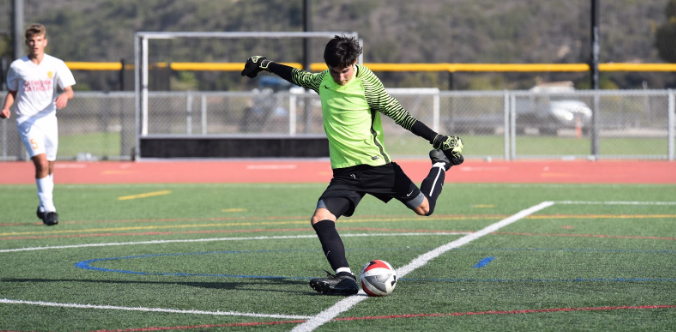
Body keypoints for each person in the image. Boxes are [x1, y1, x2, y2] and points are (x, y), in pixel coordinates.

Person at [241, 35, 463, 295]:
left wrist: (439, 140)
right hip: (345, 173)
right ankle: (344, 278)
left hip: (377, 167)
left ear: (354, 62)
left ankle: (440, 164)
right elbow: (297, 76)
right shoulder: (322, 80)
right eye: (335, 72)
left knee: (425, 208)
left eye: (345, 71)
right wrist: (264, 63)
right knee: (321, 217)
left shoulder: (367, 85)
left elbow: (401, 116)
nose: (340, 77)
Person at [1, 24, 75, 226]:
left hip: (49, 120)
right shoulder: (18, 66)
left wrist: (65, 96)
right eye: (31, 41)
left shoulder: (56, 64)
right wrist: (6, 107)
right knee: (41, 164)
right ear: (27, 43)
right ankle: (50, 208)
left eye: (39, 40)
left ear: (45, 42)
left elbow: (69, 90)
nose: (35, 44)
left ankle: (43, 206)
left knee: (50, 165)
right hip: (27, 120)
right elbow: (12, 91)